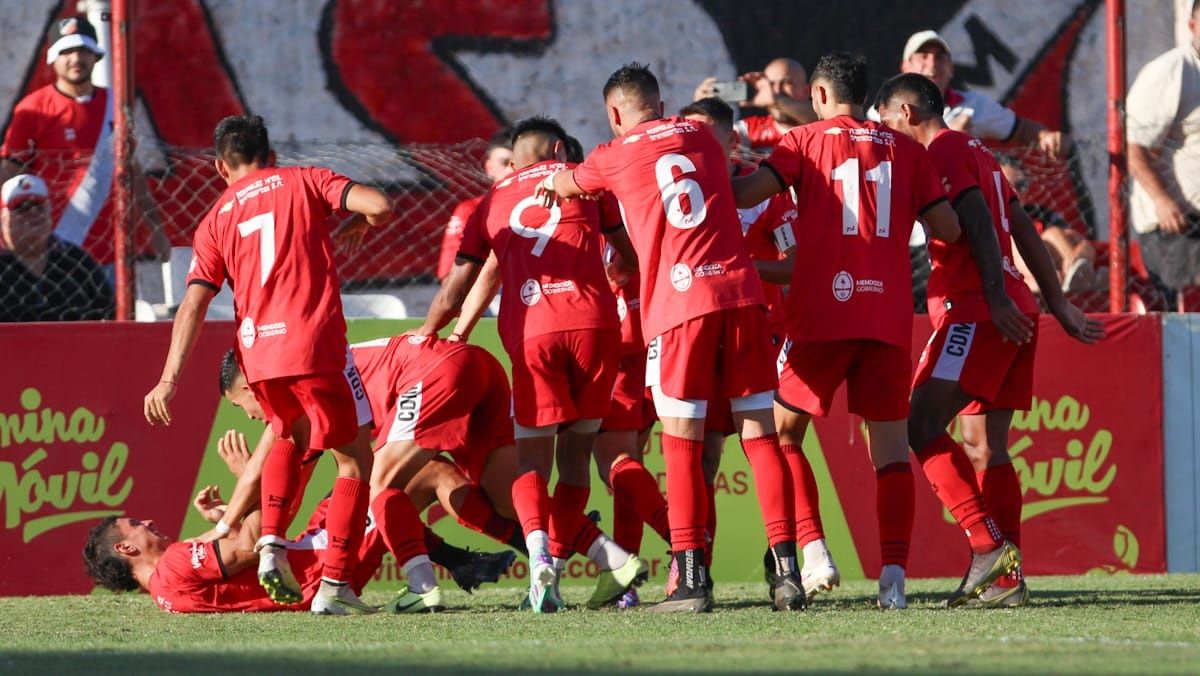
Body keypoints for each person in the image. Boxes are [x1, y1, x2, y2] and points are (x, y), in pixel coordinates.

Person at [539, 63, 805, 614]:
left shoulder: (615, 153)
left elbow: (571, 182)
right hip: (742, 296)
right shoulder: (703, 135)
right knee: (761, 438)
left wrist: (549, 179)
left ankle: (690, 581)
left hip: (681, 306)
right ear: (661, 105)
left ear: (615, 113)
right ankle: (787, 573)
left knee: (680, 444)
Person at [731, 52, 963, 609]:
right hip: (884, 317)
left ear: (817, 96)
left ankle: (812, 551)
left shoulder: (803, 142)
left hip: (820, 315)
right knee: (889, 453)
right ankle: (894, 581)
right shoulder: (908, 150)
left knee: (778, 434)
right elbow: (950, 228)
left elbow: (745, 196)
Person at [142, 114, 394, 616]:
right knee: (354, 460)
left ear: (220, 166)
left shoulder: (215, 217)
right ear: (271, 154)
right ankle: (335, 587)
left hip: (257, 354)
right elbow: (381, 204)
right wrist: (361, 222)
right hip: (312, 342)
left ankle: (272, 544)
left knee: (287, 434)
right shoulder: (305, 180)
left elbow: (192, 305)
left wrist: (168, 379)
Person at [877, 73, 1104, 607]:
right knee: (985, 445)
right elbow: (1022, 226)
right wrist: (1055, 300)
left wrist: (997, 295)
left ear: (907, 114)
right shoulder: (976, 149)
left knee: (921, 423)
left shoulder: (945, 149)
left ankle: (986, 547)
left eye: (886, 121)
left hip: (978, 312)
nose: (885, 132)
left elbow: (977, 216)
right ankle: (1006, 580)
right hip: (1010, 308)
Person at [417, 116, 648, 613]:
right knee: (577, 460)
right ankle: (628, 561)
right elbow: (628, 256)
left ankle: (541, 558)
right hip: (595, 328)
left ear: (516, 159)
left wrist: (432, 331)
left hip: (534, 332)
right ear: (560, 149)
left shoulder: (491, 201)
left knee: (530, 463)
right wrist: (614, 270)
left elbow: (458, 286)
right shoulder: (582, 181)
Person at [677, 96, 799, 595]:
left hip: (753, 327)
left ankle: (786, 569)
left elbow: (796, 264)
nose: (697, 144)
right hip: (693, 325)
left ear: (732, 140)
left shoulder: (764, 192)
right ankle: (693, 569)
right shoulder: (673, 187)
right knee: (704, 455)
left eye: (709, 135)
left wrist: (739, 272)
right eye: (691, 133)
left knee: (760, 442)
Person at [0, 14, 168, 272]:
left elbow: (130, 168)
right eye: (67, 51)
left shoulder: (117, 105)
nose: (76, 59)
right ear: (54, 58)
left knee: (112, 312)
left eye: (83, 50)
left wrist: (155, 225)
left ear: (96, 55)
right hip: (51, 250)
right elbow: (9, 174)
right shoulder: (33, 109)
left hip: (111, 250)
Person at [896, 30, 1070, 159]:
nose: (932, 64)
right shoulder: (885, 112)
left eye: (940, 57)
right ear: (906, 67)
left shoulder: (973, 104)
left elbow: (1022, 129)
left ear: (951, 69)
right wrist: (947, 138)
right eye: (923, 56)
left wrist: (1046, 137)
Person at [1126, 1, 1200, 300]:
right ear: (1192, 26)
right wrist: (1162, 200)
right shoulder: (1173, 71)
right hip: (1177, 228)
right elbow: (1133, 148)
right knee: (1186, 325)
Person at [0, 173, 113, 321]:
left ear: (49, 211)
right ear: (3, 217)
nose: (33, 213)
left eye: (39, 207)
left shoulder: (75, 261)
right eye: (22, 208)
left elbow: (109, 312)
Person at [436, 129, 513, 282]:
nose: (511, 170)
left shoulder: (547, 207)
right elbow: (450, 276)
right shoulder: (470, 210)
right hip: (486, 298)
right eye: (504, 163)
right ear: (489, 167)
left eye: (518, 164)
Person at [695, 58, 816, 154]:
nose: (777, 90)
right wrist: (702, 112)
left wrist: (777, 101)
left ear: (806, 91)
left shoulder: (823, 128)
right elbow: (711, 144)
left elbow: (820, 118)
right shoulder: (749, 130)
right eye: (771, 84)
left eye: (786, 83)